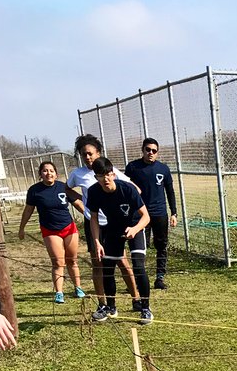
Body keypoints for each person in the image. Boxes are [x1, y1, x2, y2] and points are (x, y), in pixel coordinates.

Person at [65, 135, 140, 320]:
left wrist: (124, 213)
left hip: (114, 225)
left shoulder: (110, 170)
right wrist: (83, 208)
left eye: (90, 153)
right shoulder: (78, 174)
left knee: (122, 262)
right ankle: (103, 304)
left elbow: (134, 189)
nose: (88, 157)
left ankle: (137, 298)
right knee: (98, 265)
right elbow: (67, 190)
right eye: (84, 154)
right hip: (95, 225)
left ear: (98, 153)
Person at [86, 158, 152, 324]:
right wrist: (97, 242)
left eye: (108, 175)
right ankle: (111, 307)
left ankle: (145, 308)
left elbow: (146, 216)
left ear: (113, 175)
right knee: (108, 267)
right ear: (96, 177)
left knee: (138, 266)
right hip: (114, 230)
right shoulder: (94, 192)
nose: (105, 179)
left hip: (135, 227)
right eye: (101, 176)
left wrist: (135, 229)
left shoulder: (127, 189)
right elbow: (93, 218)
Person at [19, 162, 86, 303]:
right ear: (40, 174)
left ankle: (78, 287)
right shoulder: (34, 190)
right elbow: (28, 210)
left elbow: (78, 204)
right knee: (58, 262)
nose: (48, 173)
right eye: (45, 171)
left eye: (51, 171)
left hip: (69, 228)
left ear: (56, 173)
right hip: (50, 230)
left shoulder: (63, 187)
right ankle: (59, 292)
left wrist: (91, 218)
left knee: (72, 260)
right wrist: (22, 228)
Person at [124, 137, 178, 290]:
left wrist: (174, 213)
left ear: (157, 153)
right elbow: (126, 189)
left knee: (161, 246)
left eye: (154, 151)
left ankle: (159, 278)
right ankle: (140, 279)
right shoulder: (133, 167)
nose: (151, 153)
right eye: (148, 149)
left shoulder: (163, 169)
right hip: (140, 215)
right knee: (142, 247)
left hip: (159, 214)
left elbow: (170, 192)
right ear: (143, 150)